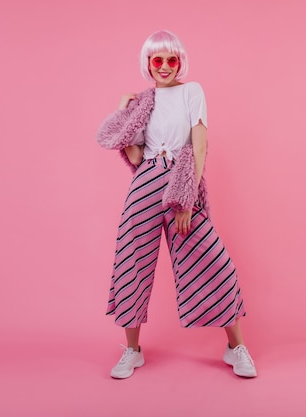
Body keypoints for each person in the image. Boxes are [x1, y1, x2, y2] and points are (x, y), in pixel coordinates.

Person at [96, 30, 256, 379]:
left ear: (180, 62)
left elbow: (199, 147)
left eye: (172, 59)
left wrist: (186, 199)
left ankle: (236, 347)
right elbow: (136, 156)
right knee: (131, 262)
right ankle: (132, 351)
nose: (165, 66)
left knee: (213, 260)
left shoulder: (192, 91)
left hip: (180, 180)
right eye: (158, 60)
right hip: (146, 182)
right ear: (148, 64)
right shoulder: (143, 102)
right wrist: (124, 111)